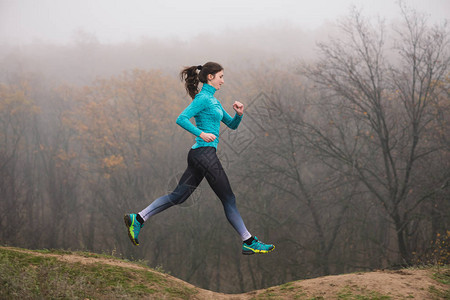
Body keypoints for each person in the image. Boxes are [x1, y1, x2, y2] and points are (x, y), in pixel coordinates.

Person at [124, 62, 274, 255]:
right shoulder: (203, 98)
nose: (223, 81)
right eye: (221, 76)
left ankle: (138, 218)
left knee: (178, 196)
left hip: (200, 155)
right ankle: (249, 241)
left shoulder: (214, 101)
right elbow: (181, 118)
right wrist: (201, 133)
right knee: (228, 198)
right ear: (210, 77)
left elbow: (232, 125)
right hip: (204, 154)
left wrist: (239, 115)